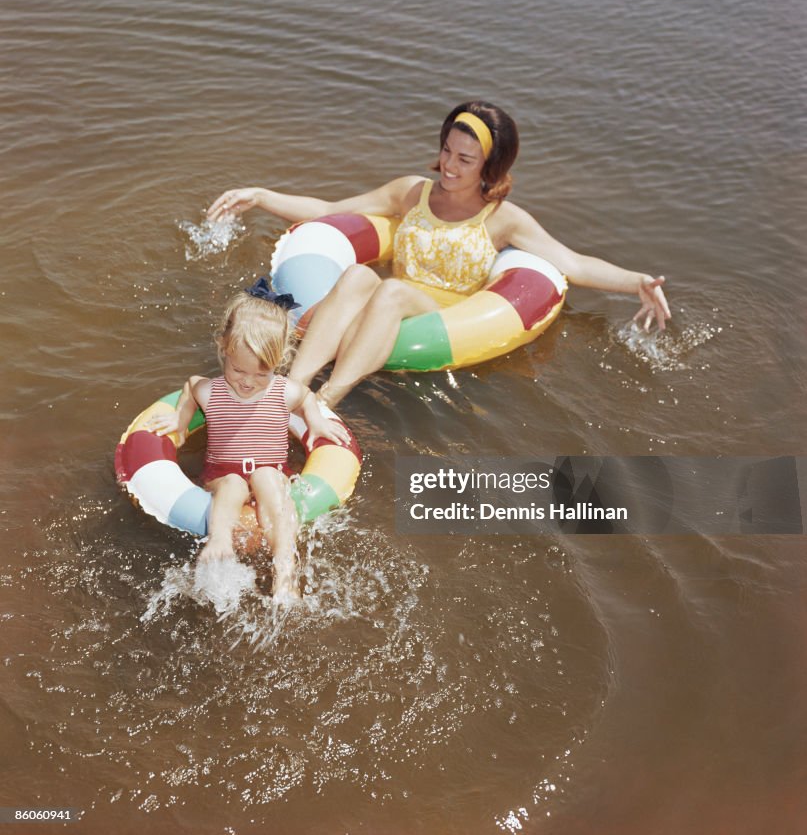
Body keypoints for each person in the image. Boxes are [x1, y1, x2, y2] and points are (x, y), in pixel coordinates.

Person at [207, 100, 671, 408]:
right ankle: (294, 389)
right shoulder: (412, 192)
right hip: (389, 299)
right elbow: (330, 211)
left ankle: (327, 400)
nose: (449, 165)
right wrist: (262, 195)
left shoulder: (502, 219)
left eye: (465, 160)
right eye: (447, 151)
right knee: (357, 279)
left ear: (491, 166)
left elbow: (572, 264)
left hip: (442, 310)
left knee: (389, 292)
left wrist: (637, 282)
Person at [147, 280, 349, 600]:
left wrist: (317, 423)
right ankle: (220, 542)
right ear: (224, 348)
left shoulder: (283, 391)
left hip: (270, 469)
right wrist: (180, 422)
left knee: (268, 478)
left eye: (261, 374)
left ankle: (285, 569)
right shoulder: (212, 392)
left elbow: (308, 398)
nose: (247, 382)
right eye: (239, 369)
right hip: (220, 474)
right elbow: (190, 386)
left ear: (279, 361)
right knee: (232, 484)